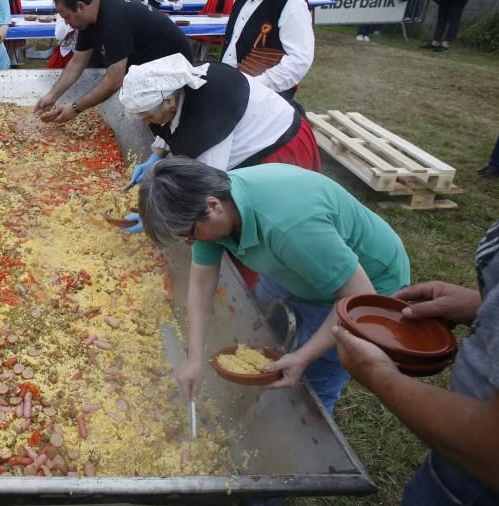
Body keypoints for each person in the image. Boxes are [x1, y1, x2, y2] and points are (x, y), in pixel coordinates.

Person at [139, 157, 410, 413]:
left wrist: (304, 356)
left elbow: (359, 298)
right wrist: (194, 357)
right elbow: (201, 285)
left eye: (188, 235)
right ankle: (262, 404)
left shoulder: (289, 227)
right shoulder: (213, 208)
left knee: (315, 373)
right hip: (292, 267)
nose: (190, 243)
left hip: (364, 285)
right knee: (265, 337)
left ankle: (307, 431)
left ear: (213, 206)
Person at [332, 221, 499, 506]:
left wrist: (377, 373)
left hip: (476, 484)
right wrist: (481, 304)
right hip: (456, 456)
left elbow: (491, 447)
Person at [117, 54, 322, 233]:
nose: (145, 122)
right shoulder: (180, 89)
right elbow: (173, 124)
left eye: (147, 115)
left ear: (169, 101)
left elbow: (207, 184)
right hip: (257, 126)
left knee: (272, 221)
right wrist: (156, 156)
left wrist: (157, 218)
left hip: (278, 148)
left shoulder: (206, 121)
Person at [35, 0, 192, 123]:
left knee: (159, 120)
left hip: (172, 66)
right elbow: (77, 62)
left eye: (66, 17)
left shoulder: (113, 19)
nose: (67, 23)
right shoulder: (86, 19)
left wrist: (75, 108)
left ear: (81, 6)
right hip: (147, 65)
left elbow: (114, 81)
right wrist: (52, 95)